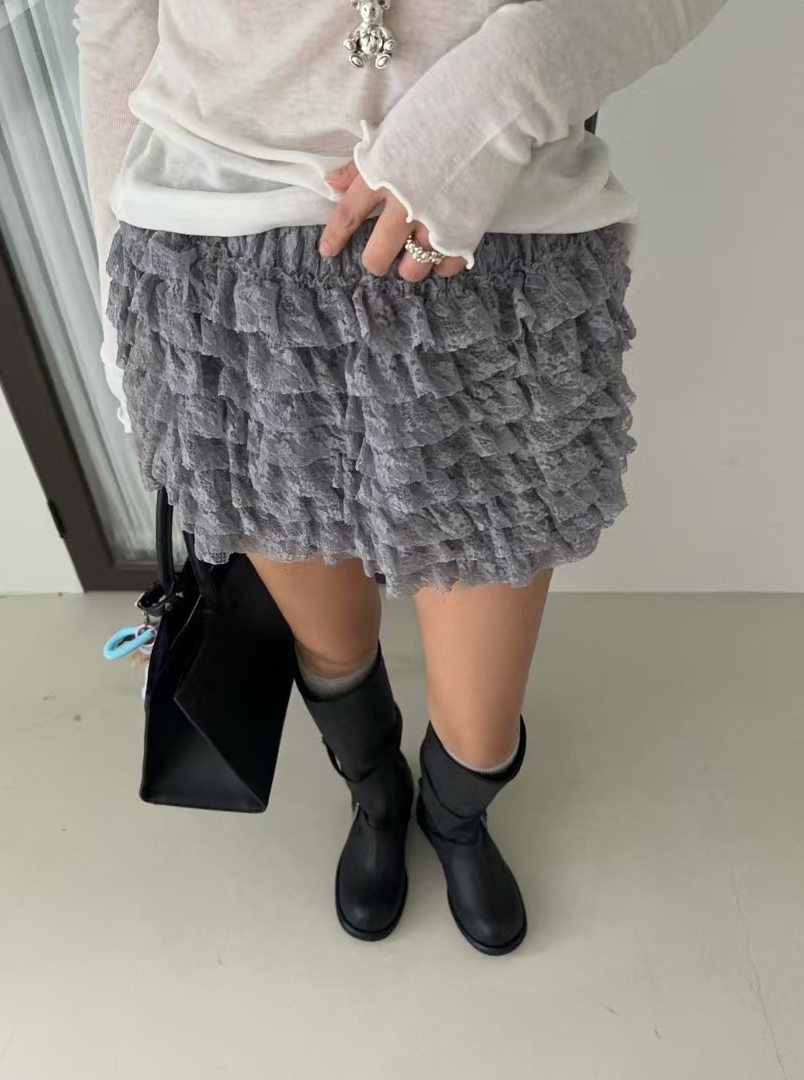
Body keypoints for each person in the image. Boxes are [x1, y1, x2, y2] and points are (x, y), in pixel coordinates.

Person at [76, 0, 727, 956]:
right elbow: (114, 27)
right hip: (221, 273)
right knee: (331, 642)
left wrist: (490, 104)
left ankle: (456, 816)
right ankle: (376, 794)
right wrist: (119, 321)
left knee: (482, 716)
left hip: (497, 258)